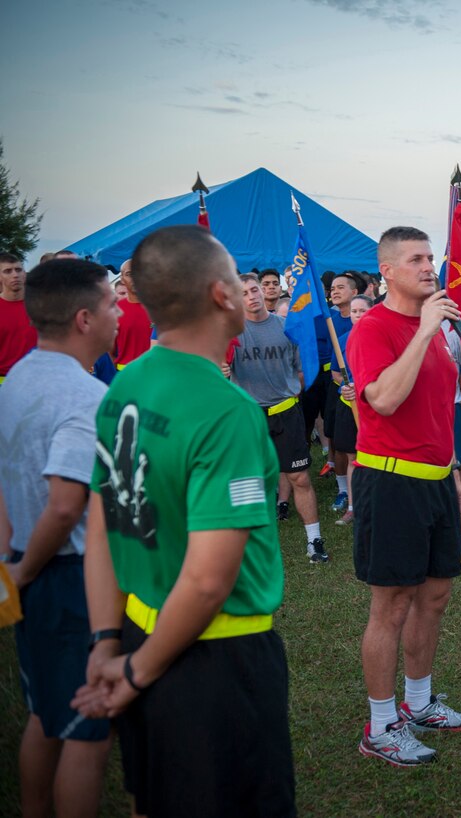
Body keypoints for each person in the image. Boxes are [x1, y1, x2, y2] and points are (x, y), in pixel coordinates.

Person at [71, 225, 296, 816]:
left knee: (158, 797)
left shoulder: (126, 382)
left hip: (140, 631)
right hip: (216, 661)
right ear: (222, 295)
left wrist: (106, 643)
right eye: (238, 281)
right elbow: (207, 581)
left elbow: (102, 522)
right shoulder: (228, 412)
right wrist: (137, 672)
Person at [348, 226, 461, 767]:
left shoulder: (437, 327)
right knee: (393, 604)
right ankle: (380, 726)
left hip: (434, 479)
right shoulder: (373, 328)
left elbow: (434, 402)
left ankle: (420, 704)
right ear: (388, 271)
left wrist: (451, 468)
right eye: (417, 259)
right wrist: (425, 333)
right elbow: (382, 399)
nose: (431, 267)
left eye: (432, 258)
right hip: (392, 479)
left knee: (435, 596)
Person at [0, 258, 118, 818]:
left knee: (44, 712)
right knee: (86, 728)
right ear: (83, 318)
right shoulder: (85, 397)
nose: (119, 312)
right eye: (111, 303)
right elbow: (67, 504)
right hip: (65, 575)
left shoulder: (20, 375)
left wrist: (11, 560)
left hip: (25, 558)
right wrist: (22, 575)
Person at [231, 274, 327, 563]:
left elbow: (301, 371)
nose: (251, 296)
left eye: (254, 289)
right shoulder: (230, 333)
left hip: (285, 412)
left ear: (263, 291)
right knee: (252, 480)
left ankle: (315, 541)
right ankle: (249, 546)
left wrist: (290, 392)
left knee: (299, 477)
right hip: (249, 416)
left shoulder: (287, 328)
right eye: (244, 292)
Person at [324, 273, 360, 508]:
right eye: (332, 288)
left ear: (355, 293)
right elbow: (335, 368)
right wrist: (344, 385)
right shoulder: (329, 319)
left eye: (340, 287)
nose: (334, 291)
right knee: (338, 440)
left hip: (365, 393)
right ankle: (342, 490)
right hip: (340, 390)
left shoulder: (364, 321)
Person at [0, 252, 37, 382]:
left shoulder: (41, 307)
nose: (15, 275)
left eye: (18, 270)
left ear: (24, 274)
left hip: (36, 380)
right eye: (8, 271)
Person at [112, 259, 153, 369]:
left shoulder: (162, 308)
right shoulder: (114, 310)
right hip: (124, 374)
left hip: (157, 376)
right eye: (129, 274)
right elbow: (108, 352)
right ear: (122, 279)